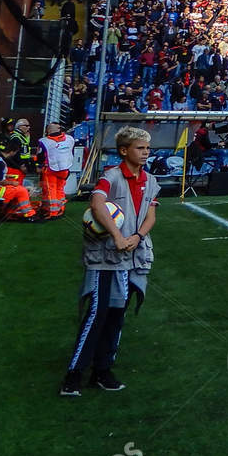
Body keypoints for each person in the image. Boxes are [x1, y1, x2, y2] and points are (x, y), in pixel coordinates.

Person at [60, 126, 157, 396]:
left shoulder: (150, 179)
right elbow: (97, 204)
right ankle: (74, 373)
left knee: (117, 312)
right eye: (140, 148)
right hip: (105, 256)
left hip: (131, 254)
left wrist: (137, 236)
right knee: (97, 312)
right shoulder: (111, 176)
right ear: (124, 151)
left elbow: (151, 214)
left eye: (147, 148)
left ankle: (102, 370)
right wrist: (116, 235)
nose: (146, 152)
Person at [36, 120, 77, 219]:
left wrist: (38, 166)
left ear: (48, 130)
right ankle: (60, 209)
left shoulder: (44, 141)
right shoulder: (70, 139)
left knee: (51, 191)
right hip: (65, 169)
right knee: (60, 190)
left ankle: (52, 212)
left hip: (51, 169)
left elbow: (40, 156)